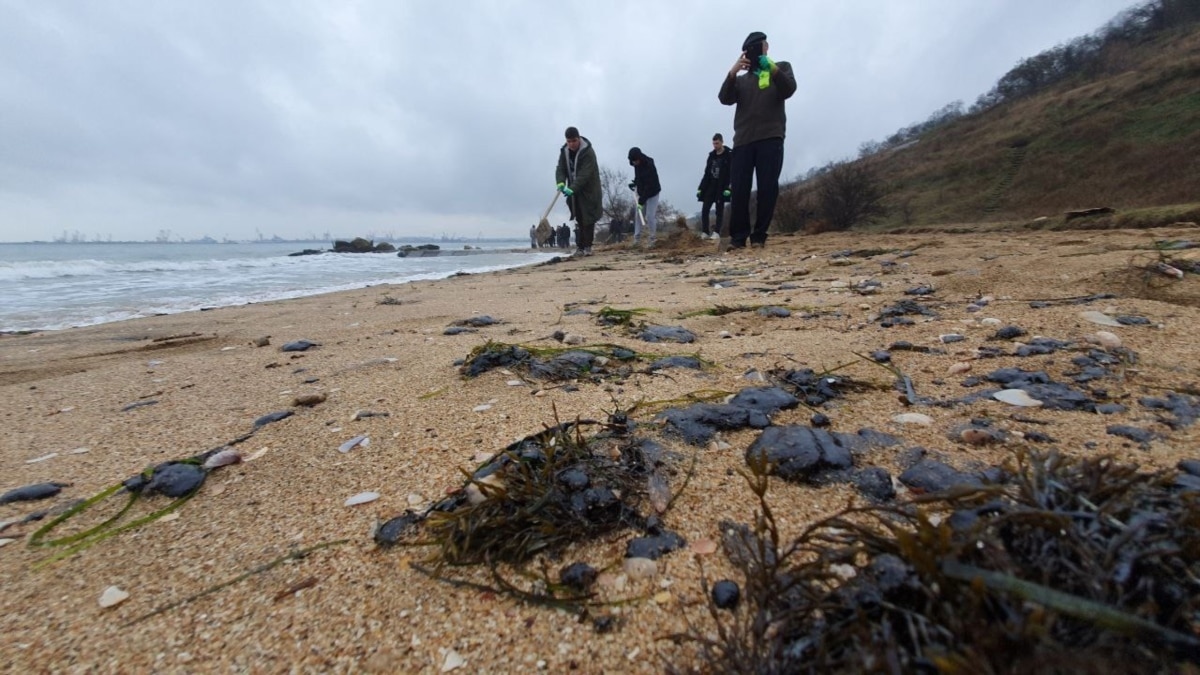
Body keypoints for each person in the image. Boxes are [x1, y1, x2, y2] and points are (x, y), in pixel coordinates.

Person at [719, 31, 796, 250]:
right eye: (750, 49)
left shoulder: (781, 67)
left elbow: (789, 89)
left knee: (767, 188)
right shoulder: (742, 81)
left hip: (771, 137)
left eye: (758, 46)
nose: (755, 51)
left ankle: (759, 236)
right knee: (740, 190)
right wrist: (733, 72)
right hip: (743, 140)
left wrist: (770, 67)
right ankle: (738, 238)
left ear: (766, 47)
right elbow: (724, 98)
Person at [555, 126, 602, 256]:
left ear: (579, 138)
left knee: (588, 218)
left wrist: (572, 188)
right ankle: (580, 247)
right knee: (579, 218)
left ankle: (587, 247)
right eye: (569, 141)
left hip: (589, 190)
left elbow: (585, 175)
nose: (571, 144)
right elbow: (561, 168)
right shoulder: (564, 151)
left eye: (574, 141)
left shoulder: (588, 152)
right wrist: (560, 181)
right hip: (574, 190)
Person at [696, 133, 732, 239]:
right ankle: (705, 232)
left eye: (717, 143)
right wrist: (700, 188)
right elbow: (706, 173)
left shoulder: (729, 154)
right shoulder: (711, 156)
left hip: (722, 186)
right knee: (705, 209)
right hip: (710, 186)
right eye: (713, 143)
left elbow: (731, 173)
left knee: (719, 209)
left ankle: (717, 232)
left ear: (722, 142)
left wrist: (728, 187)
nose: (715, 146)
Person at [627, 147, 661, 246]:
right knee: (638, 215)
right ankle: (636, 240)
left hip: (653, 192)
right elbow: (639, 177)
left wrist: (641, 201)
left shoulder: (649, 165)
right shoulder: (636, 164)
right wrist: (635, 183)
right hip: (642, 191)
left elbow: (649, 186)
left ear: (639, 158)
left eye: (635, 161)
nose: (634, 163)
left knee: (650, 216)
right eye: (632, 161)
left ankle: (652, 239)